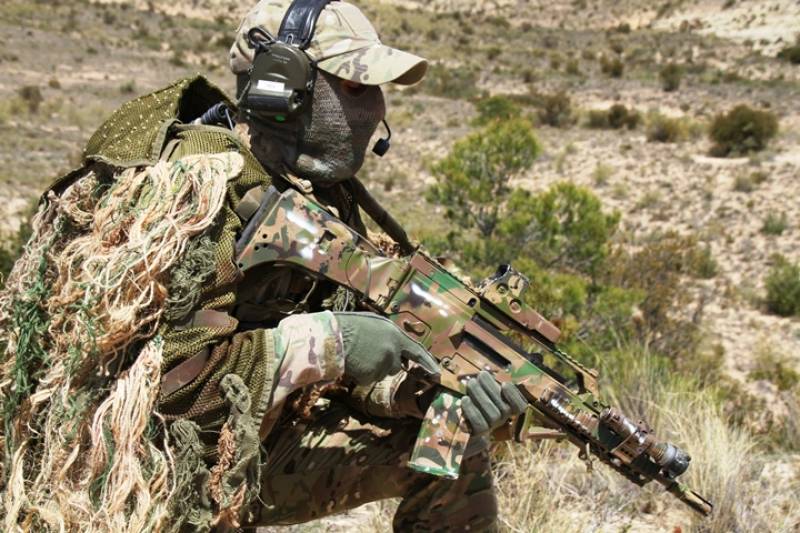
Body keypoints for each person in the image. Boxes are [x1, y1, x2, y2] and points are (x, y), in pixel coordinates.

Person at [0, 1, 526, 531]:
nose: (375, 109)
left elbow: (347, 351)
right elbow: (162, 386)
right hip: (128, 466)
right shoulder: (193, 191)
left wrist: (417, 392)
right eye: (354, 87)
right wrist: (330, 342)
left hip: (240, 441)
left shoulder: (319, 195)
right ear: (283, 86)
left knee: (451, 450)